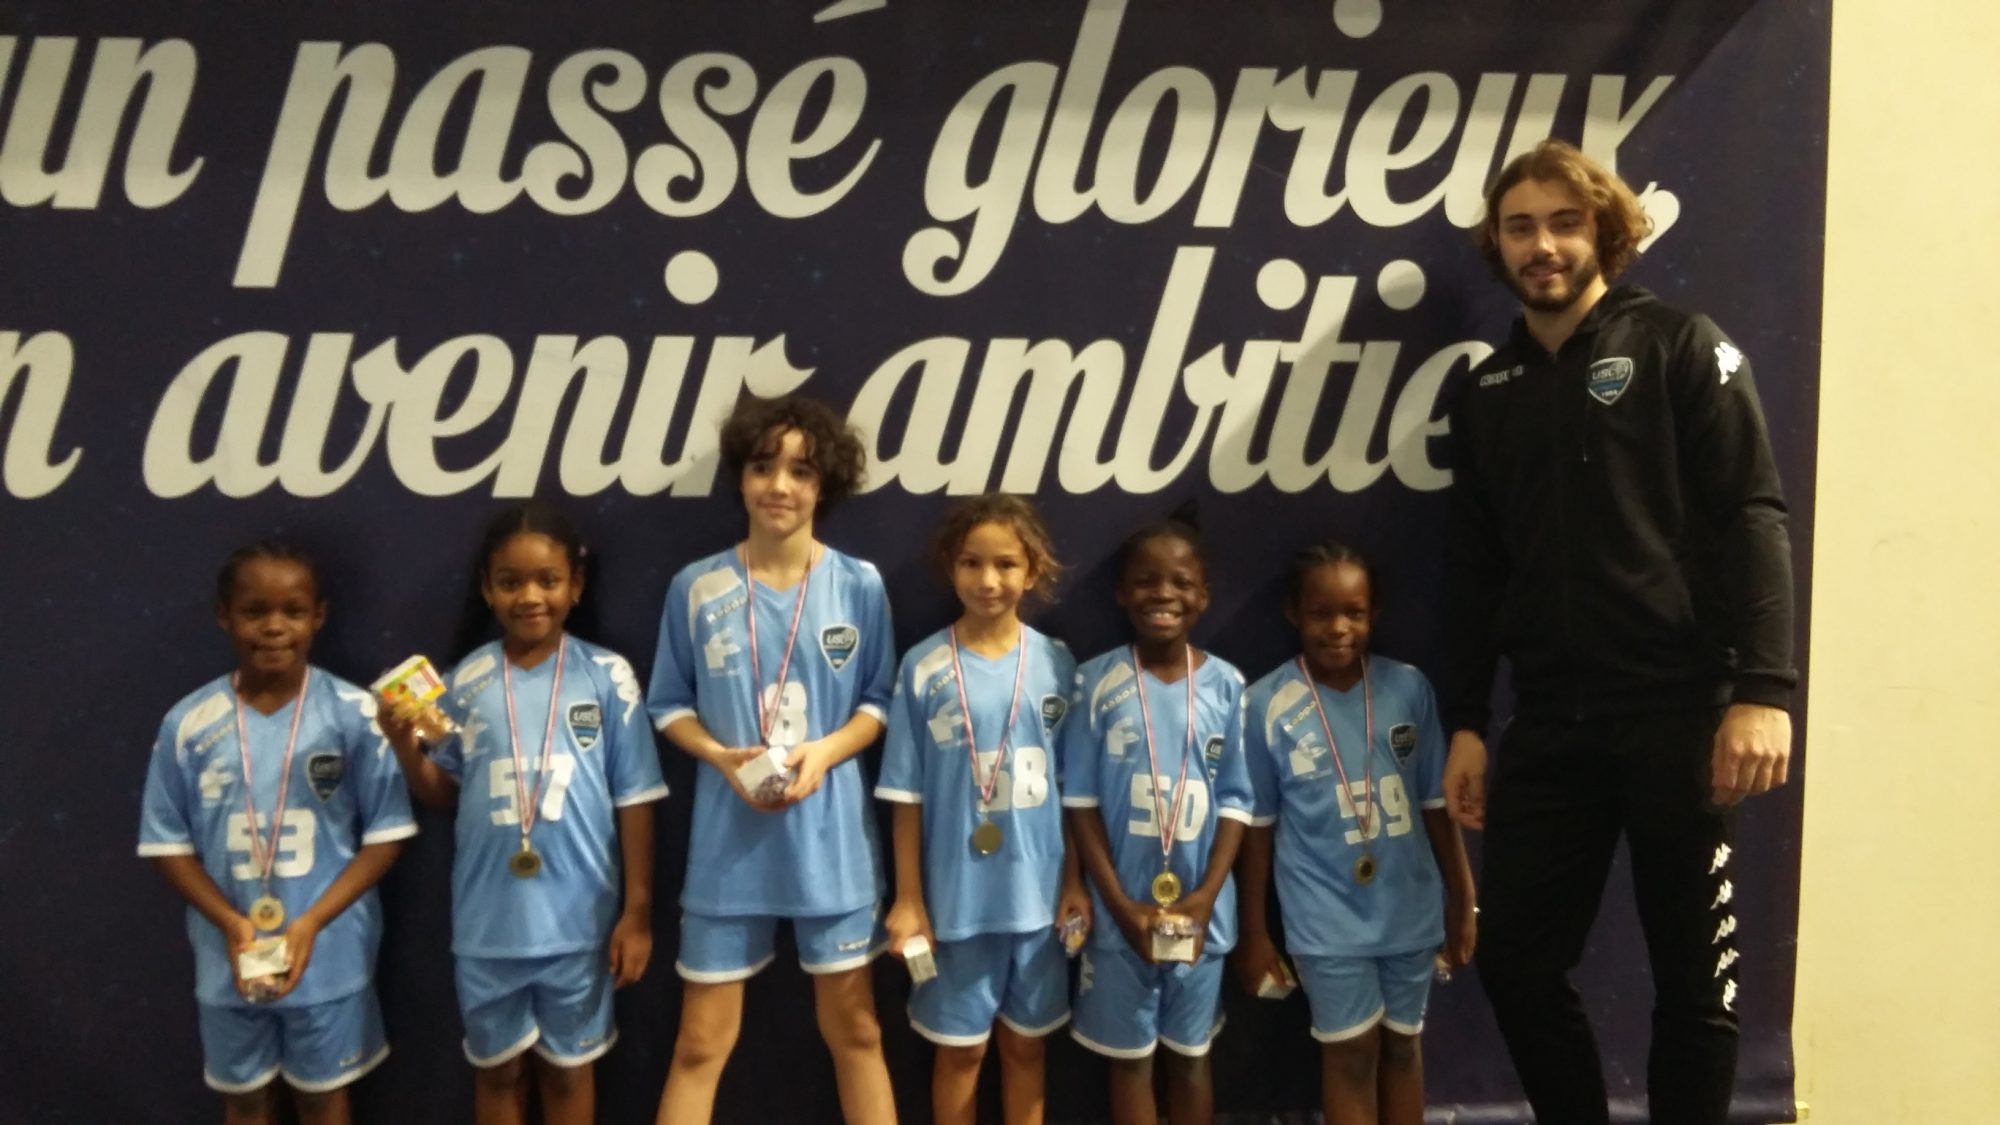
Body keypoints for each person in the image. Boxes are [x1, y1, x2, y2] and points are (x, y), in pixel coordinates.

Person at [1442, 138, 1797, 1125]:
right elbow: (1473, 571)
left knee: (1696, 981)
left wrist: (1763, 691)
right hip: (1550, 724)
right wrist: (1465, 719)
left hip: (1681, 717)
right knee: (1515, 963)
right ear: (1497, 244)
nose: (1542, 245)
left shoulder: (1681, 347)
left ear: (1605, 231)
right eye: (1520, 227)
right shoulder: (1486, 392)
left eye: (1564, 223)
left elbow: (1753, 516)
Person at [646, 395, 898, 1125]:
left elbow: (878, 700)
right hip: (729, 845)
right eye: (763, 468)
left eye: (801, 471)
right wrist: (722, 757)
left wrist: (825, 751)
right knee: (699, 1043)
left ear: (825, 486)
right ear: (740, 477)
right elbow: (668, 703)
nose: (779, 486)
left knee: (858, 1031)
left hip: (831, 845)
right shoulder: (697, 586)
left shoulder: (859, 583)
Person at [383, 503, 668, 1125]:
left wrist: (637, 913)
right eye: (510, 582)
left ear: (575, 585)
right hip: (488, 926)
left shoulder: (607, 676)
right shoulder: (464, 682)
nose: (530, 597)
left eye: (548, 580)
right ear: (487, 588)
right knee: (498, 1074)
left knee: (569, 1075)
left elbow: (637, 798)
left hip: (580, 925)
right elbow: (446, 794)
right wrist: (405, 746)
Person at [139, 543, 416, 1125]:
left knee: (322, 1097)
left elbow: (387, 834)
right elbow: (167, 845)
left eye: (292, 611)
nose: (273, 627)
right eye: (254, 611)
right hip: (229, 956)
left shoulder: (354, 713)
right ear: (224, 615)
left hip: (330, 954)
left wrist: (313, 921)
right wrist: (231, 922)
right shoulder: (187, 723)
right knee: (245, 1100)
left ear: (319, 616)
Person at [1233, 543, 1475, 1125]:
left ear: (1374, 615)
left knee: (1403, 1047)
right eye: (1321, 613)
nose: (1338, 628)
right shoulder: (1265, 703)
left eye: (1354, 613)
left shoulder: (1408, 688)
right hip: (1324, 918)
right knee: (1350, 1054)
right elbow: (1257, 829)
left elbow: (1435, 805)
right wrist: (1254, 931)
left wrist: (1463, 897)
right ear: (1293, 613)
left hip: (1409, 910)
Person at [876, 494, 1090, 1125]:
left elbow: (1074, 791)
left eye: (1006, 564)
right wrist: (909, 899)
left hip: (1038, 903)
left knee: (1026, 1051)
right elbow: (906, 795)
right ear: (951, 567)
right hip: (955, 907)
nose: (988, 580)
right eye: (972, 563)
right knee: (961, 1055)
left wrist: (1074, 882)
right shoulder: (924, 666)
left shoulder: (1057, 662)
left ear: (1033, 570)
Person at [1060, 514, 1255, 1125]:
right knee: (1130, 1063)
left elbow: (1237, 801)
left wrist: (1204, 897)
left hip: (1202, 917)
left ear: (1204, 596)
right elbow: (1081, 804)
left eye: (1181, 582)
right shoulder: (1094, 681)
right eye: (1146, 580)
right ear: (1121, 593)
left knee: (1192, 1058)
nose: (1163, 594)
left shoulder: (1227, 685)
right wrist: (1121, 908)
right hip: (1119, 918)